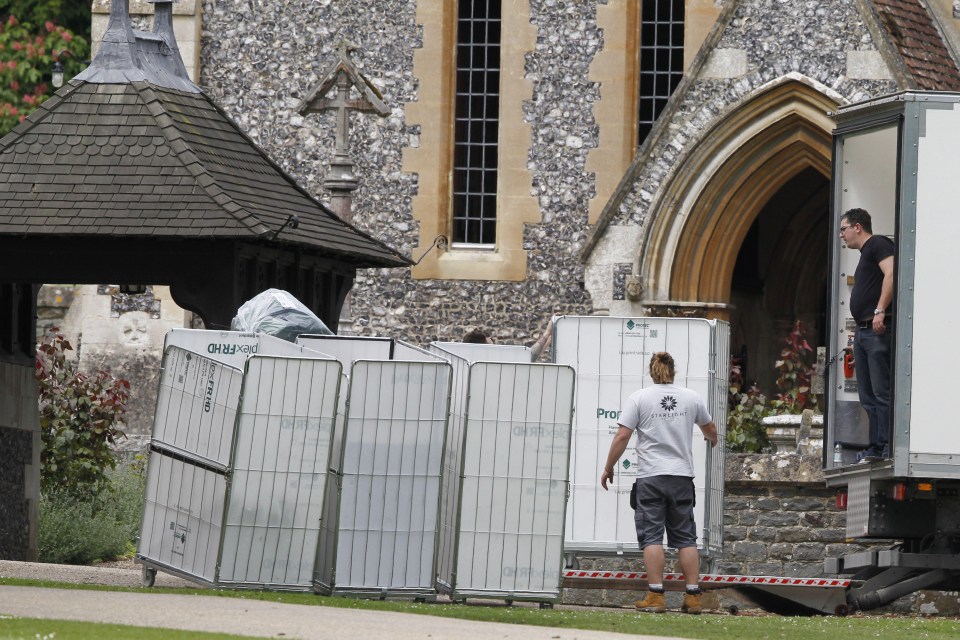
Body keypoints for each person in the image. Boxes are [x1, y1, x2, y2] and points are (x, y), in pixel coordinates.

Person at [600, 352, 718, 615]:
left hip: (651, 477)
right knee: (686, 538)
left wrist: (609, 467)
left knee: (652, 536)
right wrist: (713, 439)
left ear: (652, 371)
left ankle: (655, 596)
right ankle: (692, 597)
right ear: (673, 371)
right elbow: (710, 429)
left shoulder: (639, 398)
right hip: (681, 477)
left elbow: (622, 436)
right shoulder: (691, 397)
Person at [840, 208, 894, 462]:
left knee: (881, 392)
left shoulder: (878, 244)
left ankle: (885, 446)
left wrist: (880, 310)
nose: (842, 235)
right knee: (868, 395)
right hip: (863, 332)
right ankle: (875, 445)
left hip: (876, 329)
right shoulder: (865, 255)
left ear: (857, 227)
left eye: (844, 229)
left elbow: (891, 273)